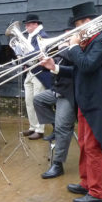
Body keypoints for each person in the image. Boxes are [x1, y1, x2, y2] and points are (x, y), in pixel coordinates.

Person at [41, 1, 102, 202]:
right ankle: (86, 183)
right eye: (77, 24)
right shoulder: (89, 43)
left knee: (93, 147)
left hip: (98, 103)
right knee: (84, 144)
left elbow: (86, 65)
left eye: (80, 23)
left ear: (89, 21)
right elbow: (80, 71)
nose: (77, 28)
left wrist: (74, 46)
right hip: (86, 101)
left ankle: (97, 193)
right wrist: (54, 67)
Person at [34, 18, 76, 179]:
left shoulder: (75, 49)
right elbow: (51, 69)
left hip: (69, 93)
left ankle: (57, 165)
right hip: (57, 91)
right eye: (65, 34)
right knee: (39, 100)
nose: (66, 37)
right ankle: (57, 126)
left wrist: (64, 48)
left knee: (62, 127)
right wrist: (42, 62)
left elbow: (74, 68)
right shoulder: (63, 50)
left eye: (69, 35)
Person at [20, 14, 52, 140]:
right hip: (30, 72)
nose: (26, 27)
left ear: (35, 25)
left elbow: (37, 52)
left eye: (28, 25)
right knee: (29, 102)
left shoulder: (41, 36)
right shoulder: (30, 37)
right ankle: (33, 127)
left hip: (40, 73)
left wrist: (24, 58)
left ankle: (40, 129)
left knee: (37, 101)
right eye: (26, 25)